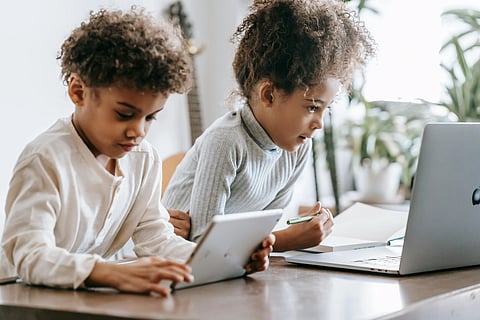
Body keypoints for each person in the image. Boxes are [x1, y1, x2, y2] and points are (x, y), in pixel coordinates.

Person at [0, 7, 274, 296]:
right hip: (21, 300)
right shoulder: (45, 159)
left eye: (150, 117)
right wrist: (110, 272)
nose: (138, 131)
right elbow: (29, 255)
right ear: (78, 92)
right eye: (124, 114)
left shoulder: (144, 159)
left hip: (80, 301)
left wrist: (227, 261)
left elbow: (156, 239)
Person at [163, 0, 376, 251]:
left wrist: (278, 238)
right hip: (173, 264)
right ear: (269, 95)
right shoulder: (226, 141)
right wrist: (290, 240)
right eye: (312, 107)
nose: (319, 123)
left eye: (325, 109)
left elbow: (259, 233)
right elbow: (204, 245)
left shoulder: (296, 150)